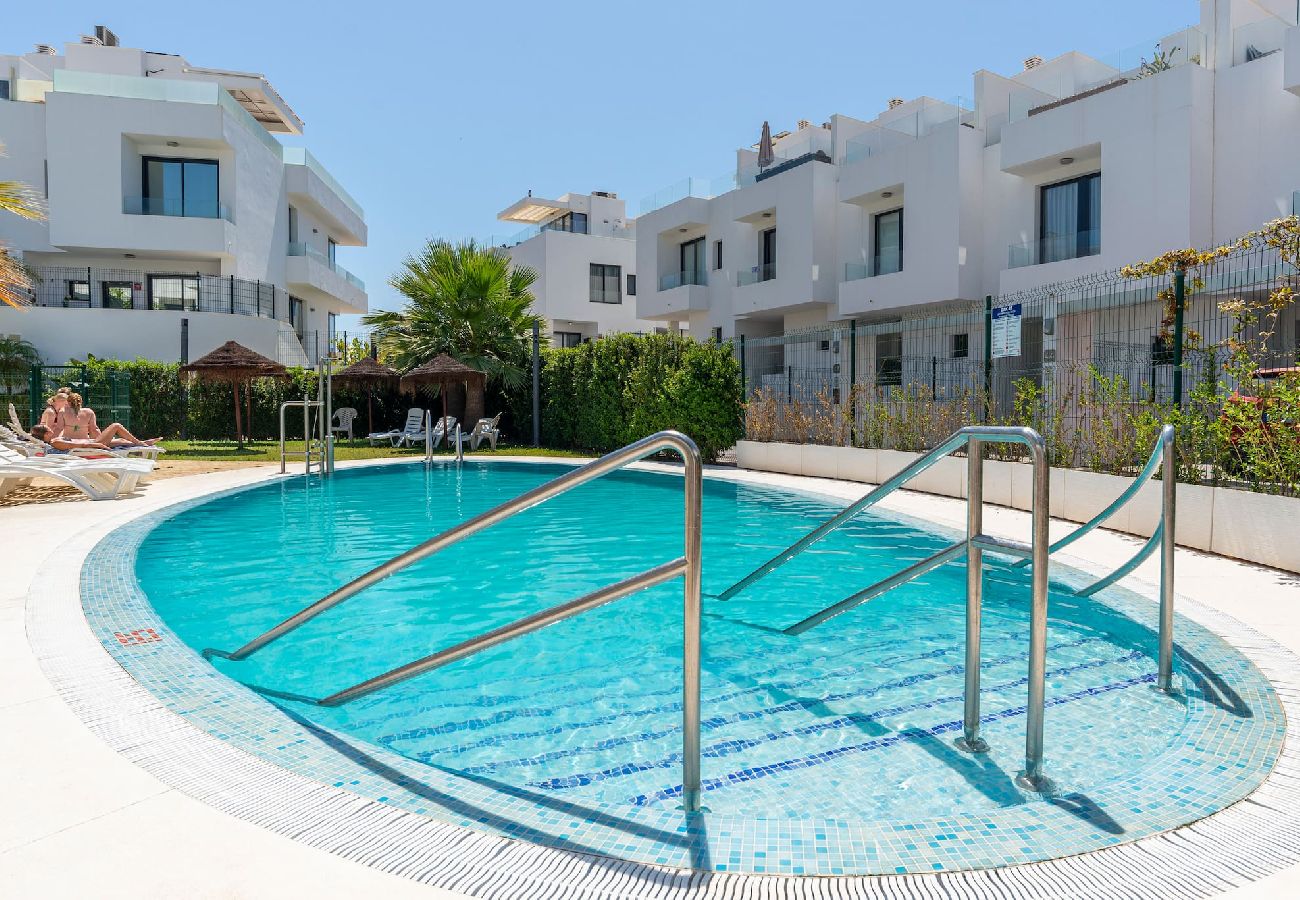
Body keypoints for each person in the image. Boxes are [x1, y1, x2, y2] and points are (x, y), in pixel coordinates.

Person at [64, 390, 159, 446]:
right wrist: (102, 438)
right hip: (87, 443)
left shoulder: (63, 412)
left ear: (68, 402)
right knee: (116, 426)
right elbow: (94, 430)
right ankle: (140, 443)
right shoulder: (88, 412)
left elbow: (59, 429)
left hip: (72, 443)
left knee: (120, 440)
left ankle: (142, 443)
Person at [30, 424, 118, 453]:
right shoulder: (55, 442)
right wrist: (100, 445)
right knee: (116, 426)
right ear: (46, 434)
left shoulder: (53, 441)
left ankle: (133, 443)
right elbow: (82, 445)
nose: (51, 427)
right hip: (93, 445)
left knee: (121, 440)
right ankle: (133, 442)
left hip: (92, 443)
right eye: (48, 427)